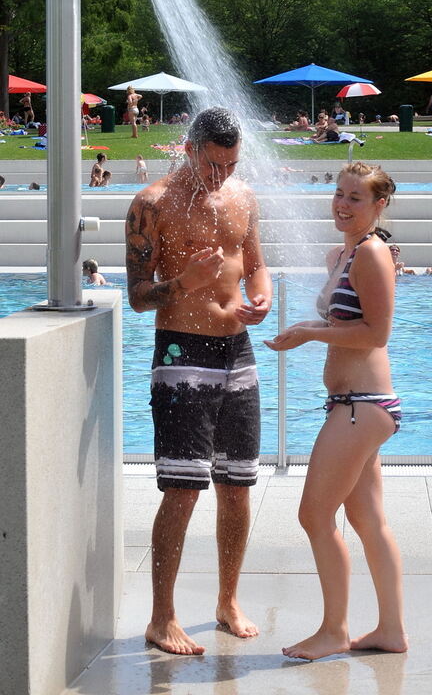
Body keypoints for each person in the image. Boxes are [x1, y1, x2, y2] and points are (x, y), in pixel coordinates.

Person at [125, 107, 272, 656]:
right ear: (189, 149)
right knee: (184, 489)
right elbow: (139, 296)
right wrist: (181, 282)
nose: (222, 177)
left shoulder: (243, 197)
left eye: (232, 165)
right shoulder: (152, 203)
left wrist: (264, 297)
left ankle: (227, 601)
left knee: (238, 487)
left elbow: (254, 262)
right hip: (182, 351)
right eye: (214, 165)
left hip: (238, 351)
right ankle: (162, 617)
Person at [265, 161, 407, 661]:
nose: (343, 205)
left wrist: (309, 334)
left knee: (314, 514)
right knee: (368, 519)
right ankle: (390, 630)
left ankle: (334, 630)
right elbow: (347, 324)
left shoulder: (370, 254)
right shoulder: (343, 254)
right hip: (357, 405)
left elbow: (377, 334)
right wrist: (306, 326)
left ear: (379, 205)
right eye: (339, 195)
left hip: (360, 406)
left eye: (356, 198)